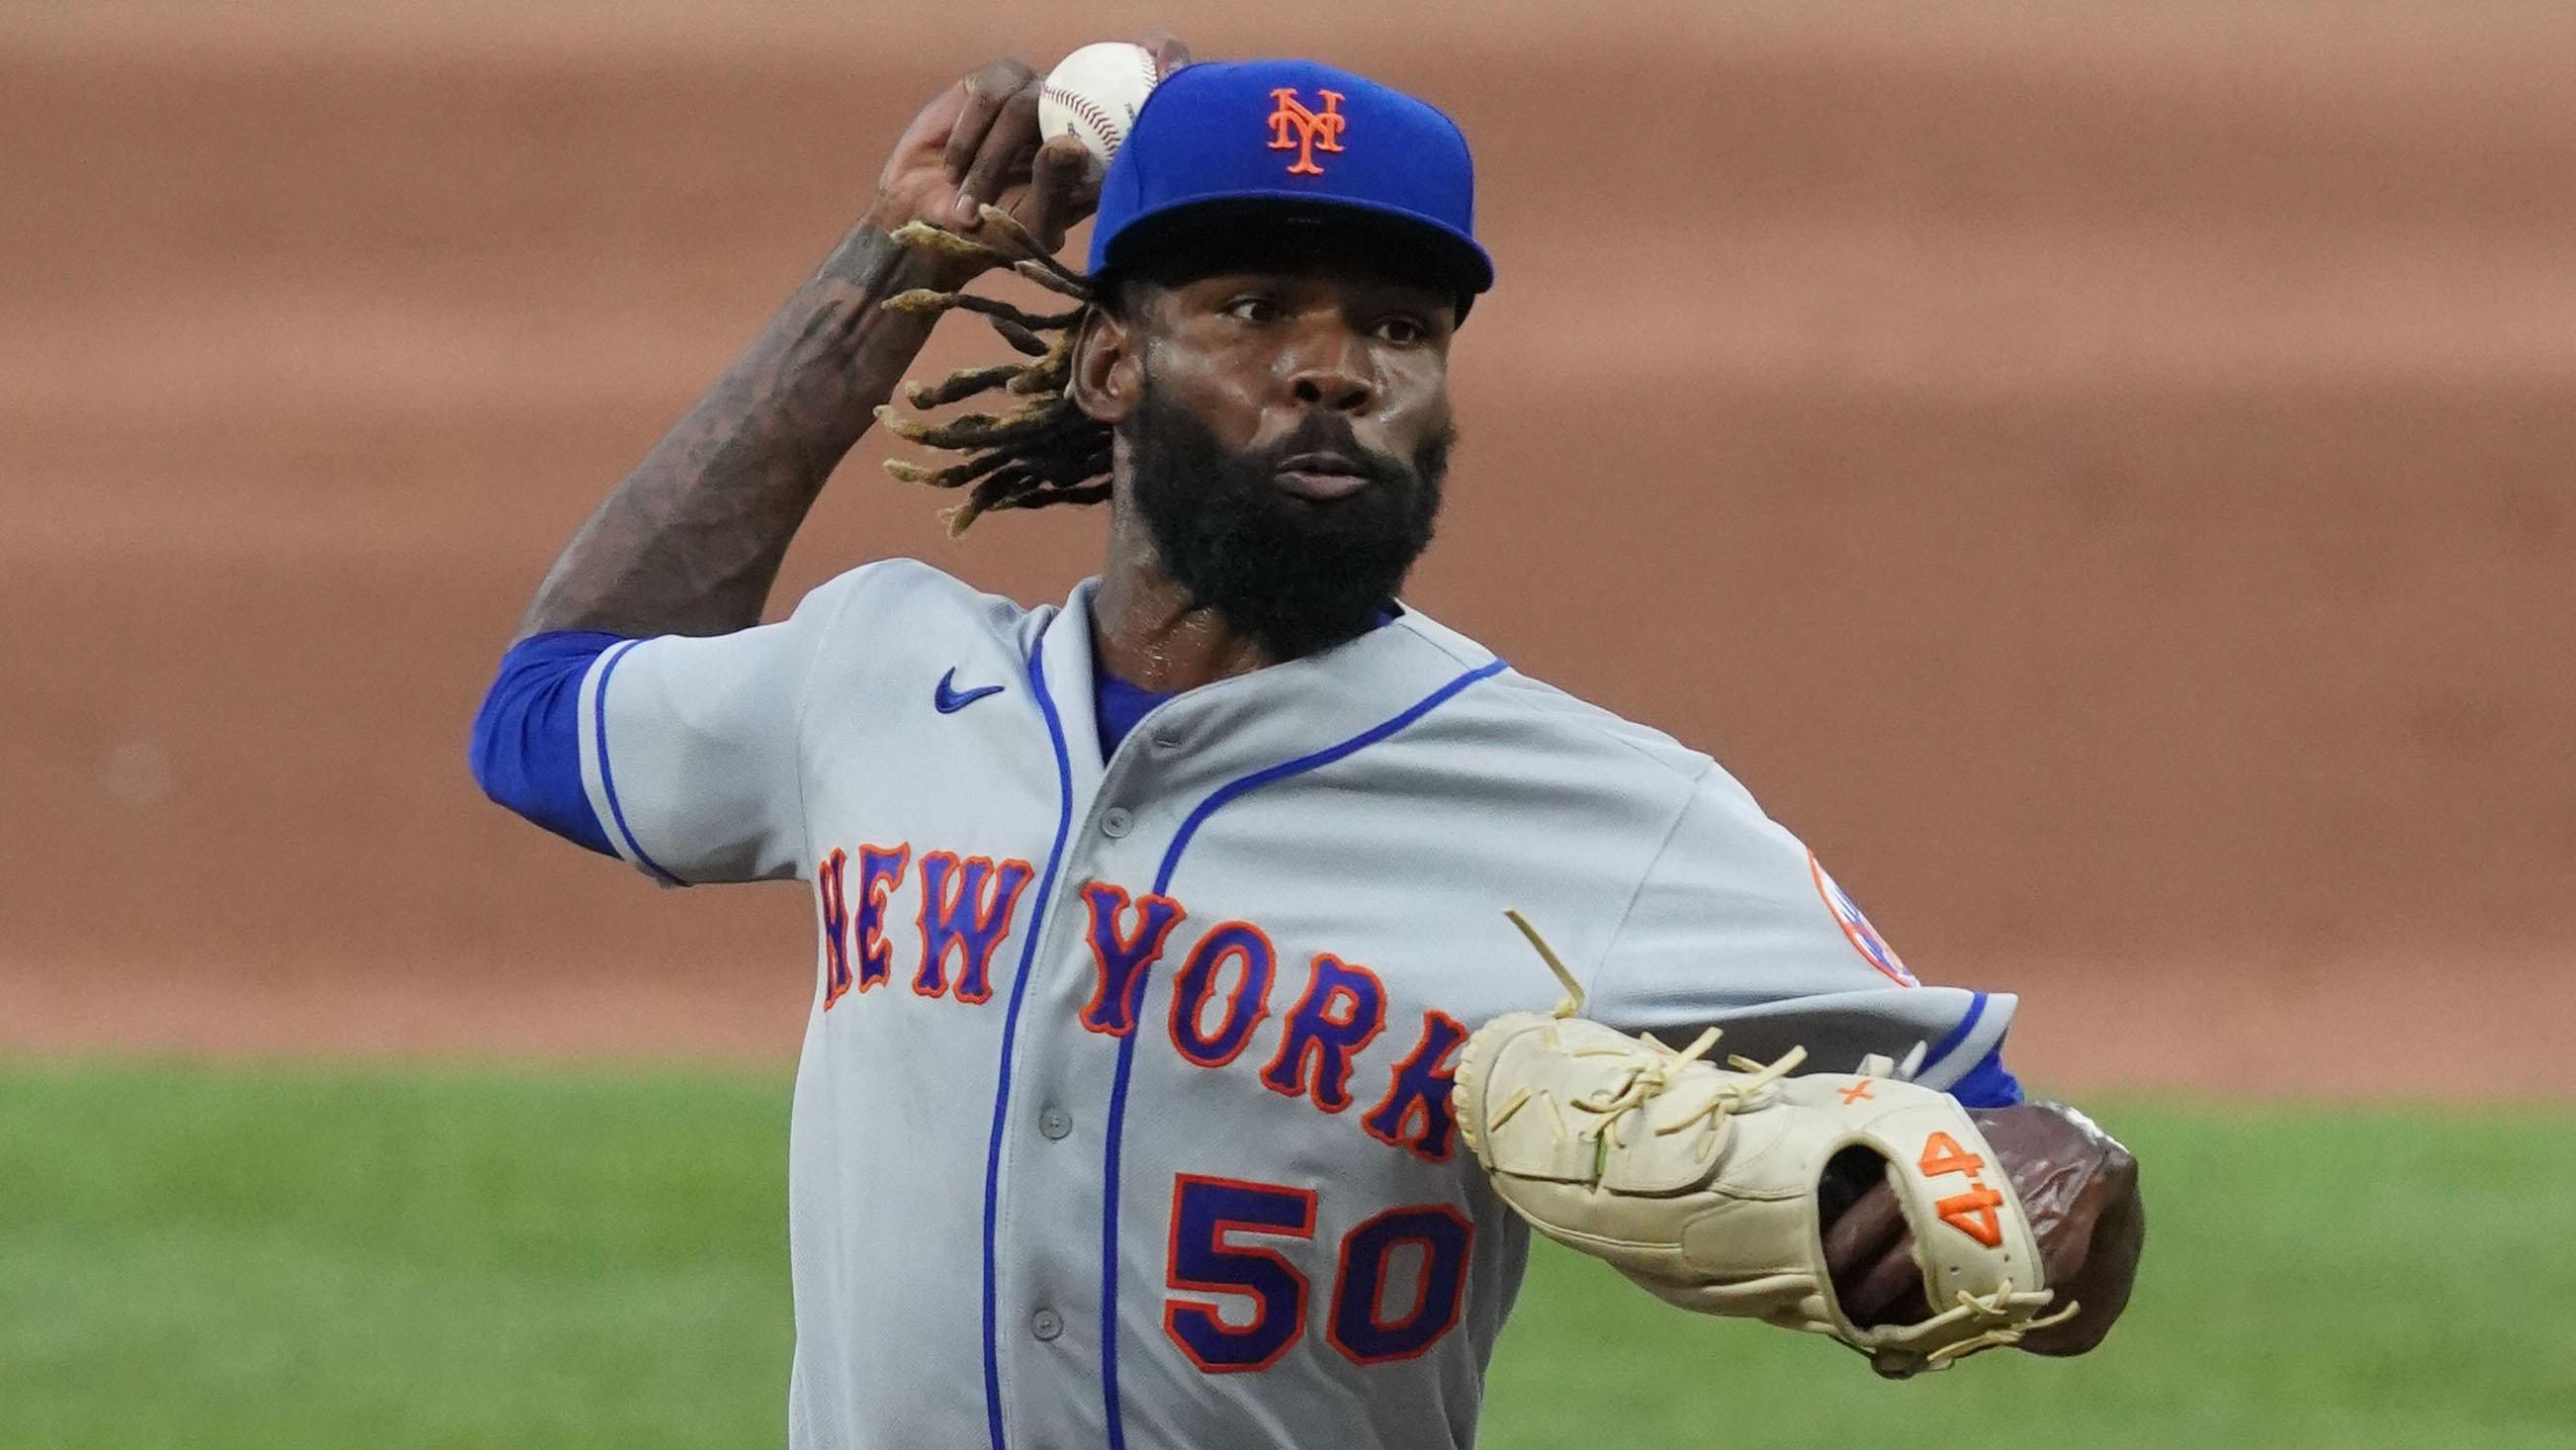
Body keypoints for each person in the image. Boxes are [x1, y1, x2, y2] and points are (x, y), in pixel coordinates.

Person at [472, 42, 2143, 1450]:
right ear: (1111, 361)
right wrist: (888, 274)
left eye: (1398, 328)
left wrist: (2054, 1179)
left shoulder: (1600, 809)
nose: (1334, 368)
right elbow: (544, 712)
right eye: (1256, 306)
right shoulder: (879, 676)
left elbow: (2015, 1176)